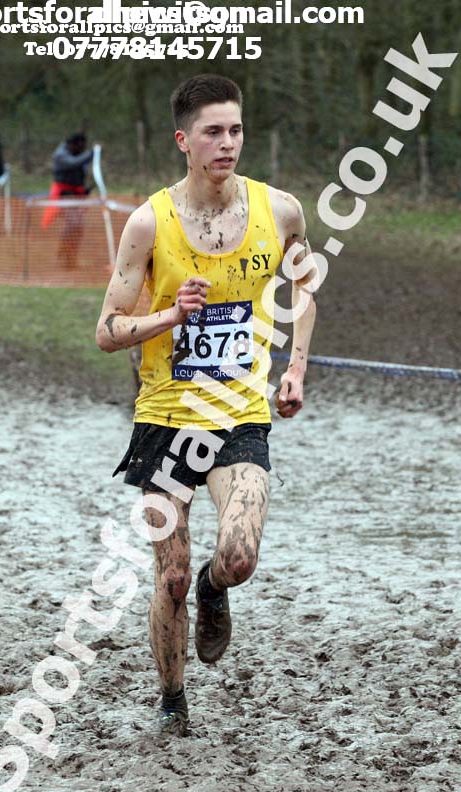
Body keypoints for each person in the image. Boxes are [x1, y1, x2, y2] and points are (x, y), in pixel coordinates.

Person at [95, 75, 318, 737]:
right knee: (168, 580)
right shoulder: (147, 223)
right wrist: (169, 313)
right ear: (183, 141)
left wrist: (295, 369)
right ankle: (171, 701)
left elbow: (302, 291)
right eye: (213, 132)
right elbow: (106, 331)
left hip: (240, 411)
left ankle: (215, 588)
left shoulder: (279, 211)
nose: (227, 143)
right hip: (164, 419)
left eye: (235, 129)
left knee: (239, 553)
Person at [41, 133, 94, 269]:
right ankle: (64, 252)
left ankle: (70, 256)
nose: (82, 150)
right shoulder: (61, 154)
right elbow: (73, 163)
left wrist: (85, 190)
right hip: (64, 196)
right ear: (74, 144)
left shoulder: (75, 153)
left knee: (78, 227)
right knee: (74, 224)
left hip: (75, 196)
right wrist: (92, 153)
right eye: (81, 147)